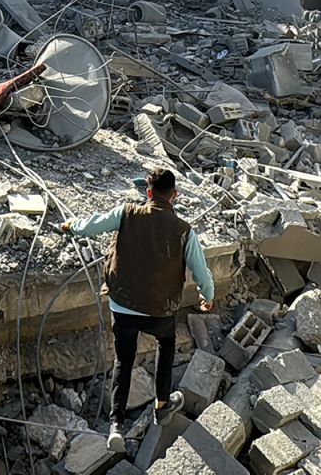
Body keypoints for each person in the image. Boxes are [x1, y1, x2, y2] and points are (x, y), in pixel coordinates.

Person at [62, 168, 215, 453]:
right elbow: (201, 272)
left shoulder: (127, 213)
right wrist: (208, 296)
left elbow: (93, 225)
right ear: (175, 196)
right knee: (166, 346)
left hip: (122, 304)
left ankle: (116, 426)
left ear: (147, 193)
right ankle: (162, 405)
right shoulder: (184, 230)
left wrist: (72, 226)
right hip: (159, 310)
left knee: (124, 360)